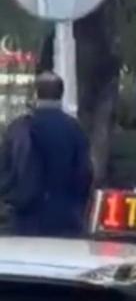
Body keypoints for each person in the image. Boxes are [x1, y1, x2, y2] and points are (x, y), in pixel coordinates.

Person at [0, 72, 92, 237]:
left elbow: (5, 169)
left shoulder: (19, 127)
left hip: (25, 217)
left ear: (36, 93)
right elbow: (84, 173)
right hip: (65, 217)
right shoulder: (74, 129)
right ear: (61, 94)